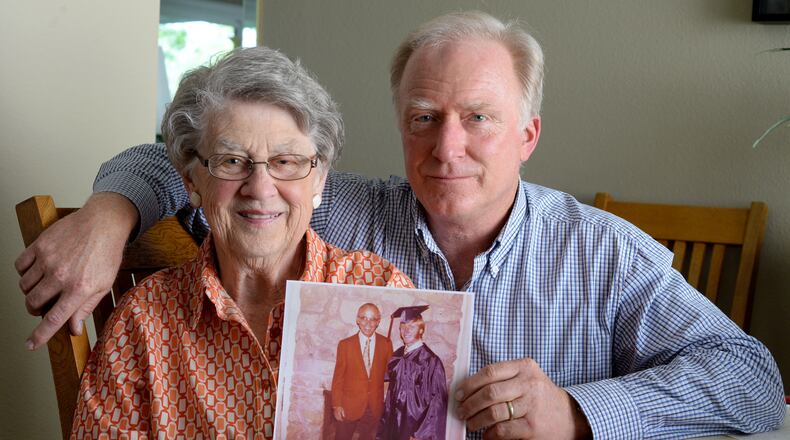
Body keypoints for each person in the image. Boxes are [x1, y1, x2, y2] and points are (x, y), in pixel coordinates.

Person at [17, 10, 785, 440]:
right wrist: (109, 213)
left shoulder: (603, 252)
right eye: (424, 118)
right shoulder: (325, 203)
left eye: (478, 118)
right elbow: (198, 158)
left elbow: (754, 384)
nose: (447, 147)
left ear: (529, 134)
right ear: (399, 124)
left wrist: (584, 413)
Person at [69, 46, 413, 438]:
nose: (260, 188)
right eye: (232, 161)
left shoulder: (380, 291)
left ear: (319, 179)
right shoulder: (143, 324)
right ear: (191, 180)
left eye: (286, 161)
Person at [378, 305, 448, 440]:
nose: (406, 330)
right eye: (403, 326)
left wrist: (419, 434)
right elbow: (390, 385)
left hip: (414, 426)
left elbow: (437, 403)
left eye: (412, 326)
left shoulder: (431, 361)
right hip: (392, 422)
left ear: (421, 330)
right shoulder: (397, 355)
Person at [331, 303, 393, 440]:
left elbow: (390, 373)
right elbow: (338, 377)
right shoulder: (345, 345)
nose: (368, 323)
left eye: (373, 319)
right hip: (348, 406)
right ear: (357, 320)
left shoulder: (386, 344)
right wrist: (337, 405)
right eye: (364, 318)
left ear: (378, 322)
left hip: (374, 408)